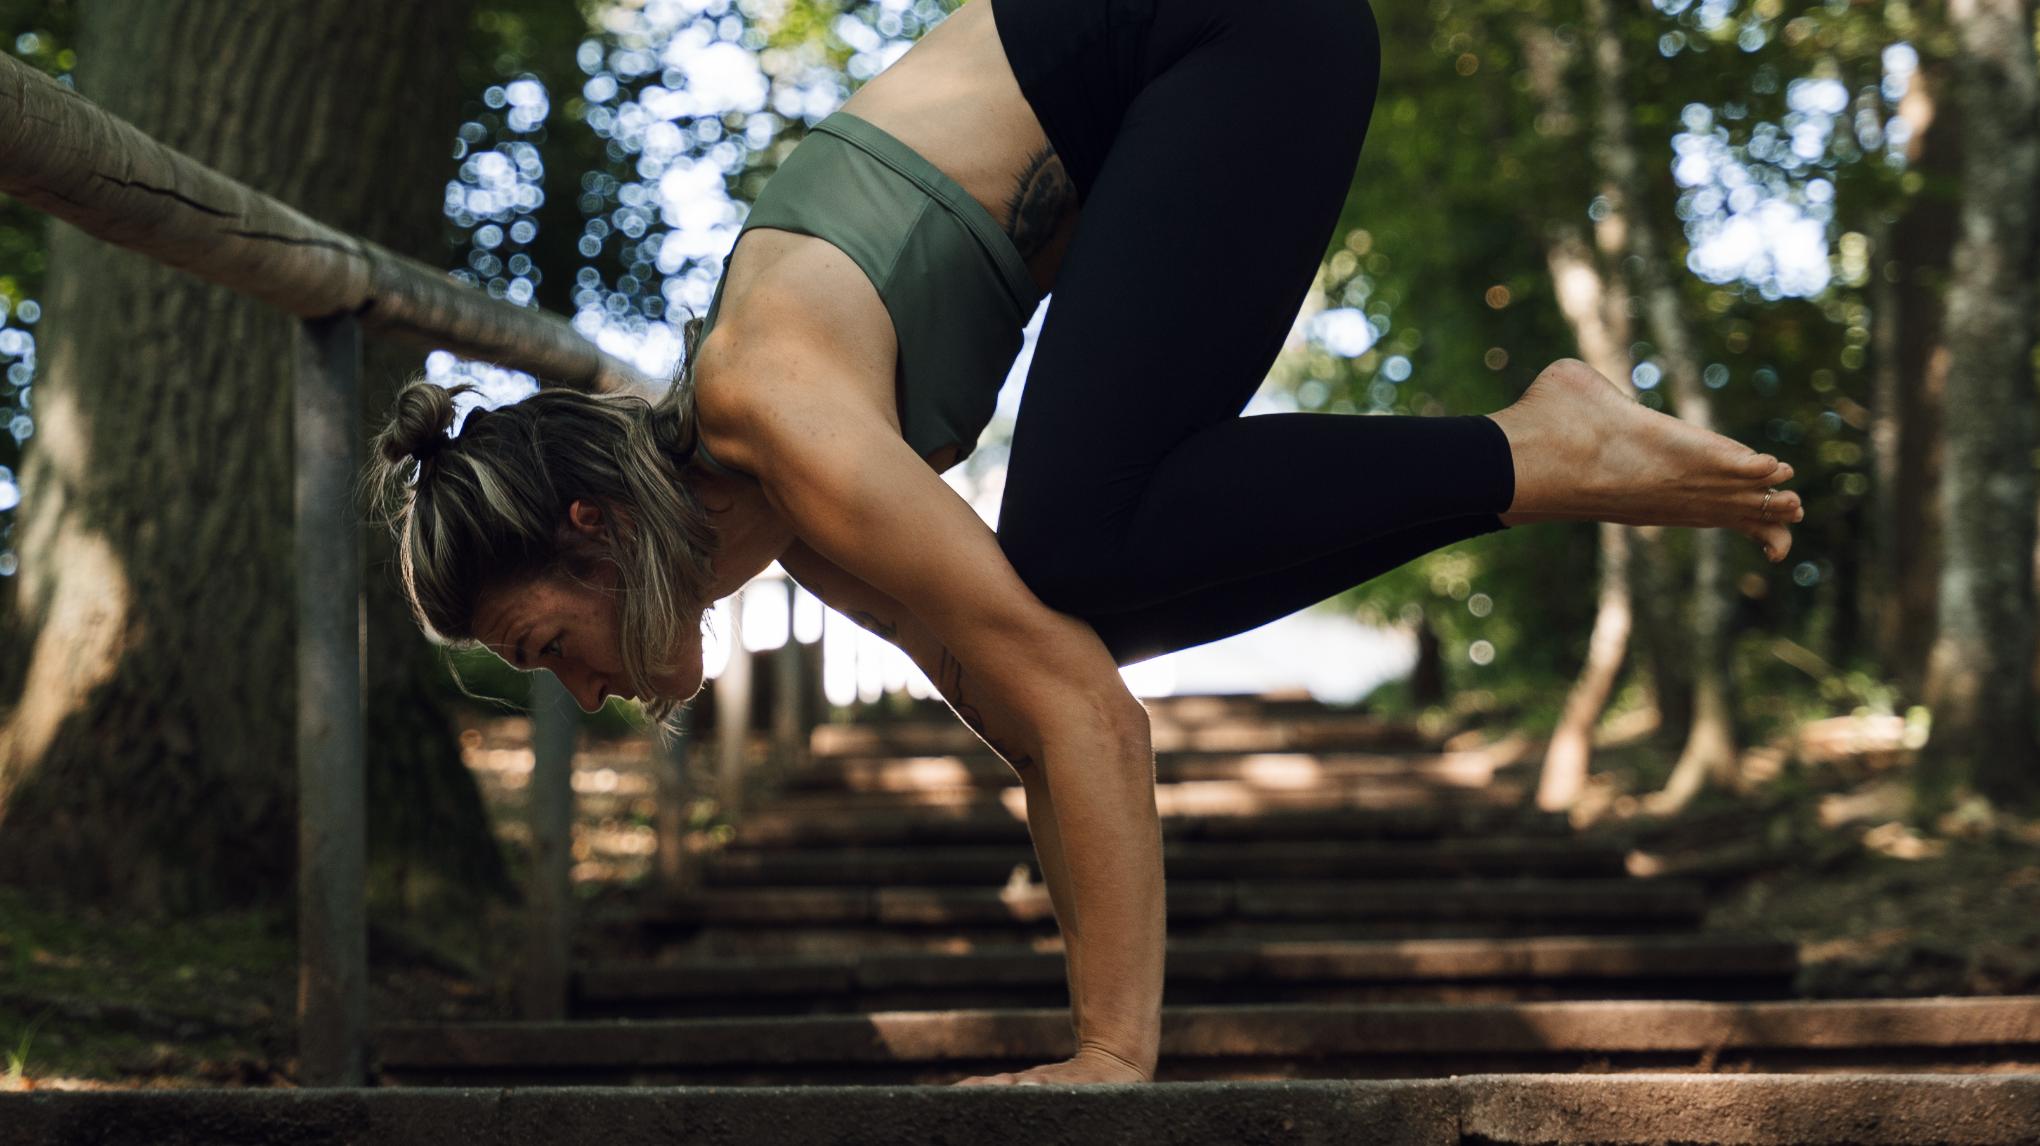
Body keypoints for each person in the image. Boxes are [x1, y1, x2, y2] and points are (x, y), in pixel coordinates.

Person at [365, 0, 1802, 1087]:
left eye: (547, 648)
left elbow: (1085, 712)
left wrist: (1113, 1062)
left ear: (589, 525)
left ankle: (1538, 447)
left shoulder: (773, 404)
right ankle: (1530, 452)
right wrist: (1089, 1030)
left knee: (1079, 558)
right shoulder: (801, 518)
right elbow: (1042, 724)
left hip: (1234, 32)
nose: (586, 694)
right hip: (1209, 70)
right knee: (1073, 577)